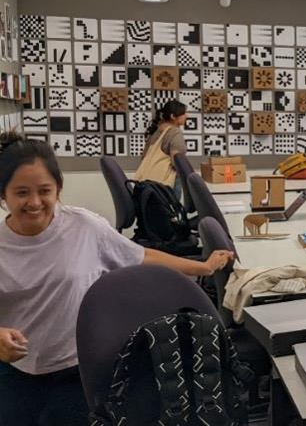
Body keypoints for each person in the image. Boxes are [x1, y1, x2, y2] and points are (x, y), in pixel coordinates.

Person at [0, 133, 233, 426]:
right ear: (3, 194)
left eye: (44, 190)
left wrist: (203, 267)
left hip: (80, 373)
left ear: (58, 188)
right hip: (17, 373)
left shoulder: (83, 227)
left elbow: (139, 256)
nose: (34, 202)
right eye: (21, 193)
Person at [134, 100, 187, 198]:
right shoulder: (175, 132)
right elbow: (178, 162)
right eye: (183, 113)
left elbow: (144, 156)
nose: (186, 116)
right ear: (173, 116)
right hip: (164, 188)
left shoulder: (157, 131)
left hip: (145, 186)